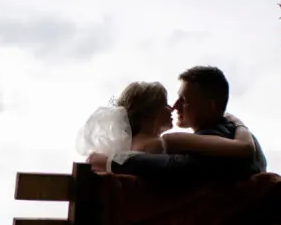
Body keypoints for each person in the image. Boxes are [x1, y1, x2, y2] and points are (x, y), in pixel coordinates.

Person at [86, 66, 266, 183]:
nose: (174, 106)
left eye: (184, 100)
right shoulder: (232, 131)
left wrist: (110, 163)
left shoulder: (217, 136)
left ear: (210, 106)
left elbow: (172, 166)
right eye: (169, 102)